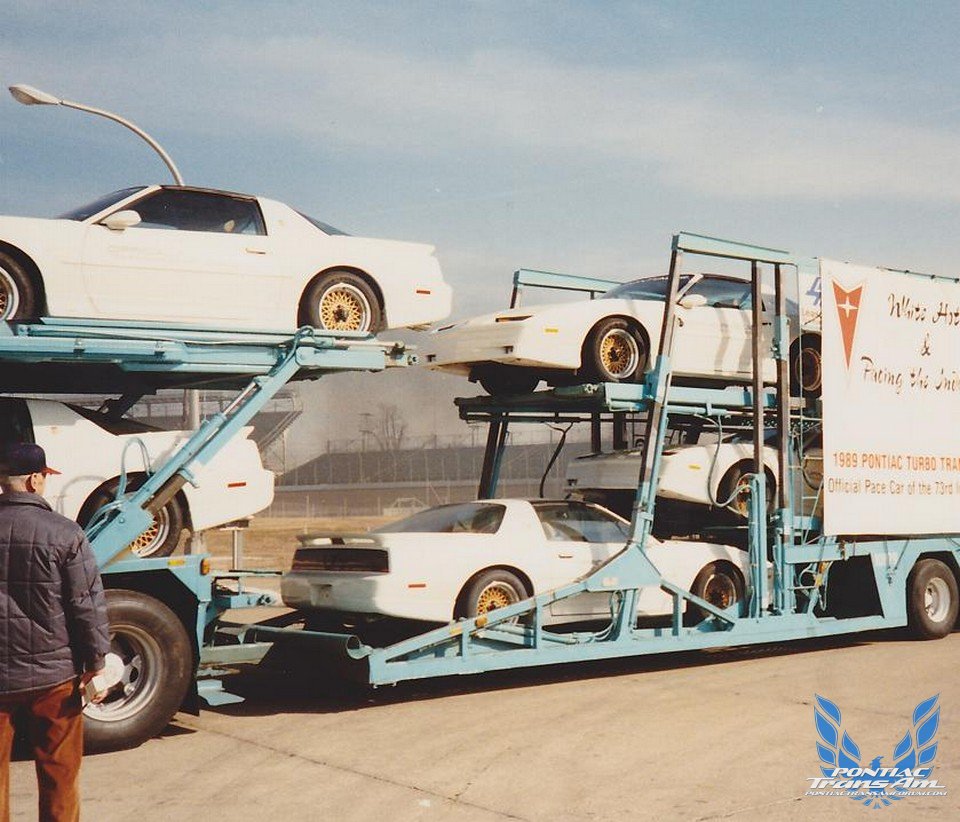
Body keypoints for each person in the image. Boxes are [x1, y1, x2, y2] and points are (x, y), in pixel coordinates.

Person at [0, 442, 112, 822]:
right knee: (60, 776)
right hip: (55, 679)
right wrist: (96, 663)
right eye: (44, 477)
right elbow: (85, 603)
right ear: (33, 480)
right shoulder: (66, 533)